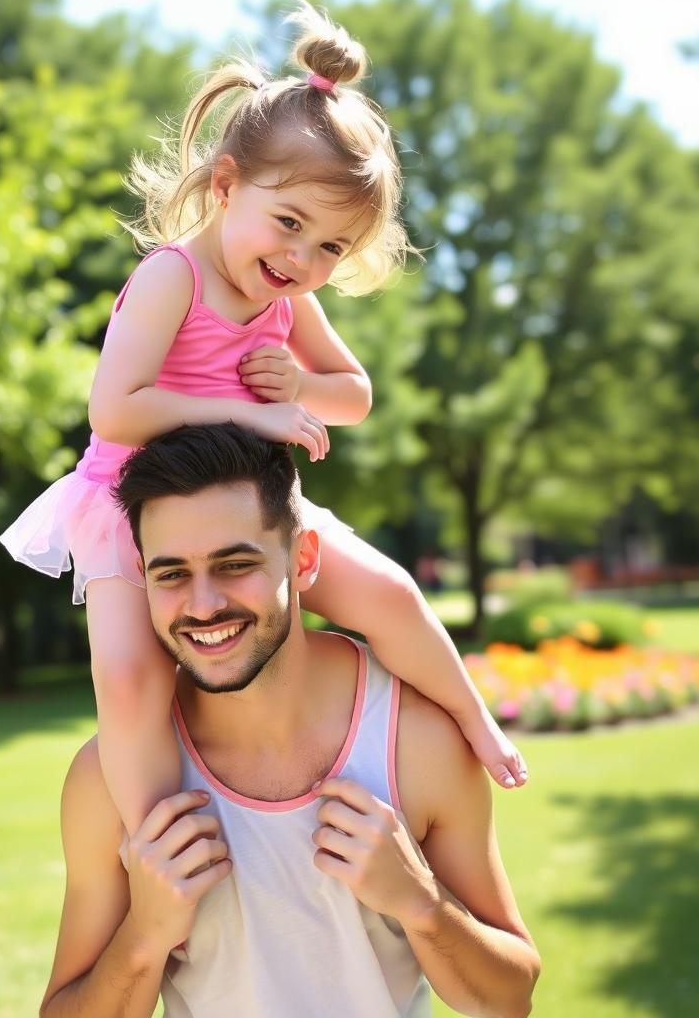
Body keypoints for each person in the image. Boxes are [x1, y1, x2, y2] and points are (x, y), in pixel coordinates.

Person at [0, 0, 526, 840]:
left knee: (388, 592)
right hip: (130, 505)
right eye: (289, 225)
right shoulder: (176, 277)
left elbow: (353, 393)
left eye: (330, 250)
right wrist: (256, 410)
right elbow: (116, 409)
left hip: (241, 505)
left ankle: (475, 721)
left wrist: (297, 390)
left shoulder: (282, 295)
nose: (301, 261)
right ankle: (155, 852)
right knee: (132, 682)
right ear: (225, 185)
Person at [39, 423, 540, 1018]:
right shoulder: (108, 784)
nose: (202, 606)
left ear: (301, 559)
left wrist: (420, 902)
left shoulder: (416, 739)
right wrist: (144, 936)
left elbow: (509, 999)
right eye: (171, 574)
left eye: (233, 564)